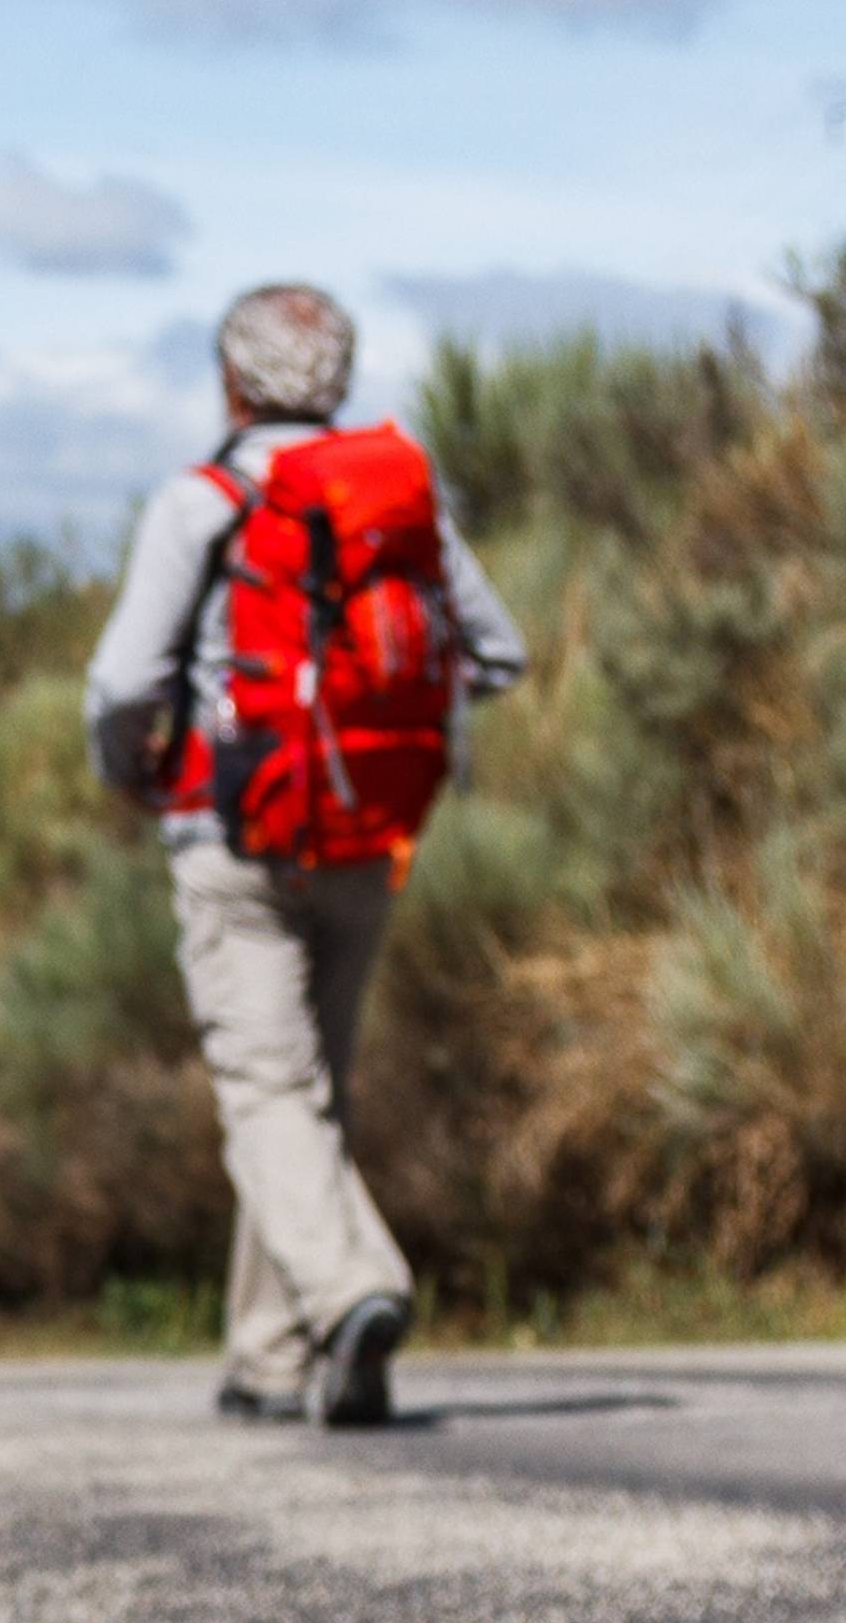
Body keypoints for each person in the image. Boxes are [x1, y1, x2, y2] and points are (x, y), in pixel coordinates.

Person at [82, 281, 528, 1429]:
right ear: (338, 378)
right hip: (370, 833)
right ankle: (268, 1357)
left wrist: (132, 770)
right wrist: (378, 725)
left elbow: (125, 682)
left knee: (266, 1089)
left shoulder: (204, 502)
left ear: (231, 381)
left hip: (234, 835)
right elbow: (498, 652)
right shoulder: (394, 499)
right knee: (308, 1093)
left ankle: (351, 1292)